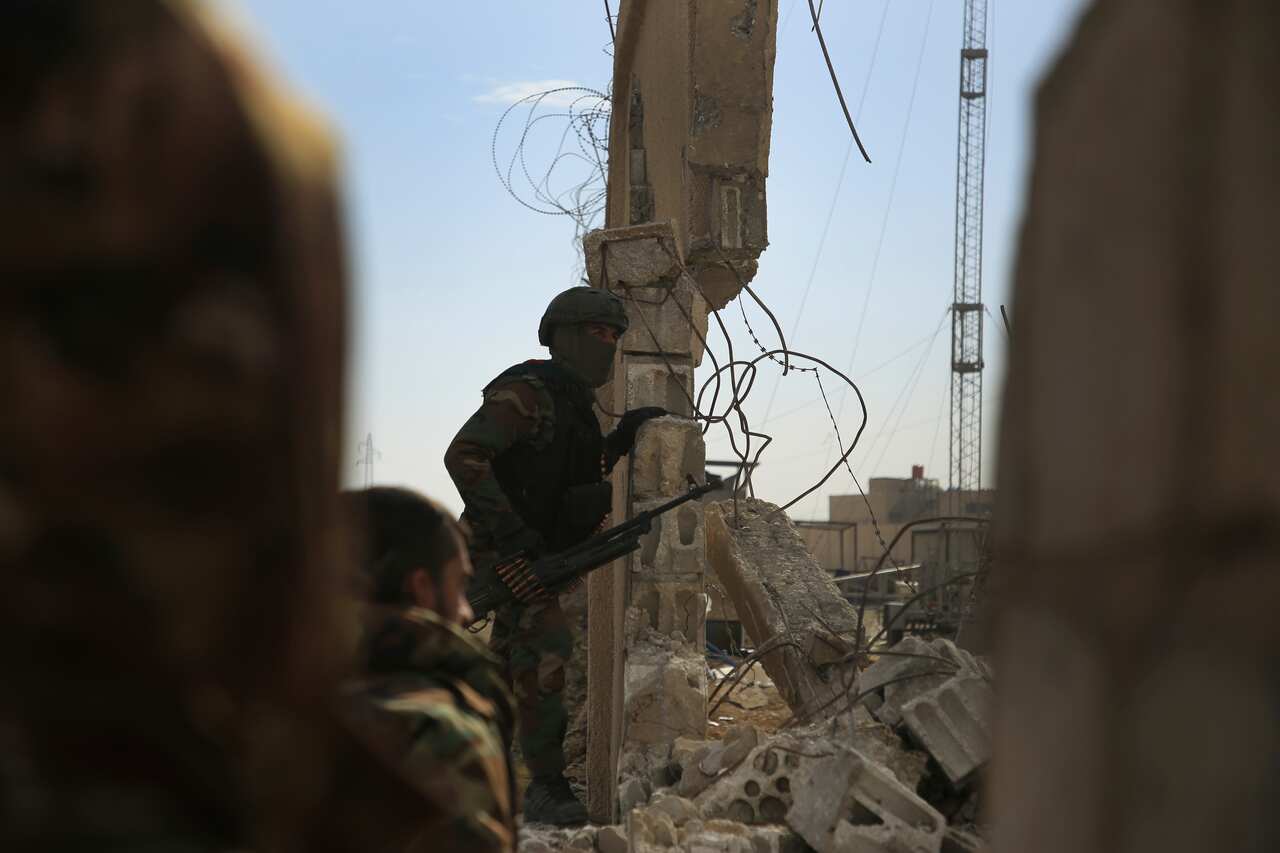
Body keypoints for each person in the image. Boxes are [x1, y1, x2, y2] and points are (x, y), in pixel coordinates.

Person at [444, 286, 665, 825]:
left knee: (498, 668)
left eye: (613, 336)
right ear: (564, 338)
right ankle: (543, 785)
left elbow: (573, 478)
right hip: (494, 554)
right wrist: (515, 537)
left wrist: (622, 438)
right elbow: (465, 456)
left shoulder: (575, 410)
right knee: (545, 654)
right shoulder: (528, 393)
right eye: (597, 334)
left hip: (532, 556)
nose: (607, 345)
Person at [340, 487, 518, 852]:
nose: (466, 610)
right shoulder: (441, 737)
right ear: (421, 587)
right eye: (459, 584)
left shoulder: (243, 714)